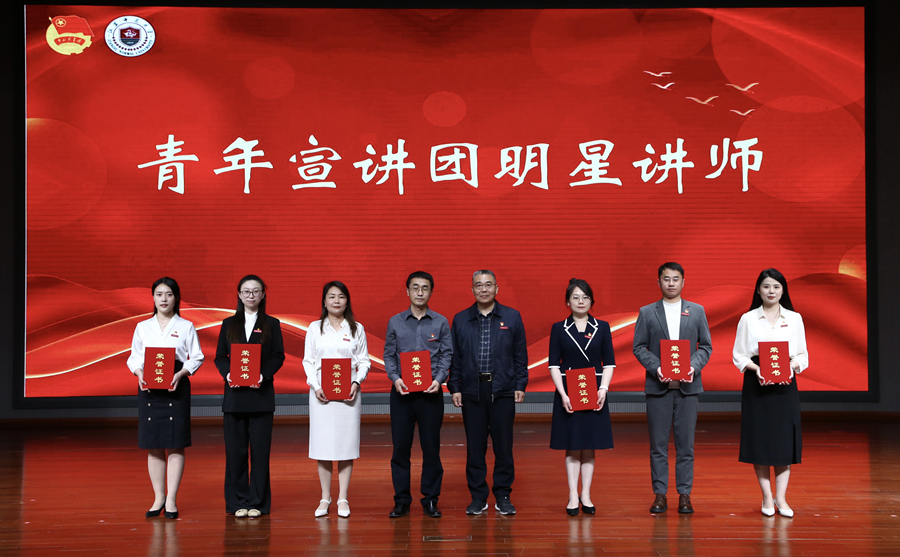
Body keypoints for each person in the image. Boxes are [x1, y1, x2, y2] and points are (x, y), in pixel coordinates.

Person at [632, 262, 712, 514]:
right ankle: (660, 494)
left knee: (686, 445)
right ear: (658, 282)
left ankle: (685, 494)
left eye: (675, 279)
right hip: (658, 388)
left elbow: (705, 346)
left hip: (689, 388)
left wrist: (693, 367)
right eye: (666, 279)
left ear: (683, 282)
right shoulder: (647, 312)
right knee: (658, 445)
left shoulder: (696, 311)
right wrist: (657, 367)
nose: (671, 283)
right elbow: (639, 347)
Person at [448, 270, 528, 516]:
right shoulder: (461, 319)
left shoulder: (512, 317)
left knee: (504, 447)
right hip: (472, 390)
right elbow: (455, 357)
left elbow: (520, 356)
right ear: (472, 290)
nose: (483, 289)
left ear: (497, 288)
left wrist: (520, 385)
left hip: (502, 389)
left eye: (488, 284)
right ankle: (478, 497)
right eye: (478, 285)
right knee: (475, 447)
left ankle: (503, 495)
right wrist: (455, 387)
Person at [732, 268, 808, 518]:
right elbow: (739, 355)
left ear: (783, 290)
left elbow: (802, 355)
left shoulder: (794, 318)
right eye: (766, 286)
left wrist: (790, 366)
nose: (771, 291)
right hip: (757, 383)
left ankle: (781, 498)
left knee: (784, 441)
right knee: (760, 440)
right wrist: (757, 369)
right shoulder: (748, 319)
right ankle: (766, 496)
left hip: (785, 385)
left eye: (776, 286)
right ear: (758, 290)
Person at [127, 277, 204, 520]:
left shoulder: (186, 326)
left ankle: (171, 498)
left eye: (169, 294)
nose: (164, 299)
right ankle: (158, 497)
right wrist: (139, 372)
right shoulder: (143, 327)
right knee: (154, 443)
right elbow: (134, 357)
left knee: (175, 442)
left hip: (175, 385)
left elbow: (197, 357)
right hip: (149, 387)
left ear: (176, 298)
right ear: (153, 298)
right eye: (159, 294)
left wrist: (181, 373)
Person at [383, 271, 453, 519]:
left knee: (431, 448)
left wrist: (438, 379)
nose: (420, 292)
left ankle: (430, 499)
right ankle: (401, 500)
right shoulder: (395, 322)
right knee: (400, 449)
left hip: (430, 393)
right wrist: (395, 378)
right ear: (407, 292)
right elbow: (389, 355)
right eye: (415, 288)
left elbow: (446, 354)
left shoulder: (441, 322)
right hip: (401, 393)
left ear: (431, 292)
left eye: (425, 288)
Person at [214, 275, 285, 518]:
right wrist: (229, 374)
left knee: (260, 452)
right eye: (246, 291)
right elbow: (220, 357)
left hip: (261, 396)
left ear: (263, 295)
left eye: (256, 291)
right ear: (239, 294)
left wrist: (262, 375)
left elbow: (278, 356)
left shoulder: (272, 324)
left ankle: (257, 502)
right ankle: (237, 502)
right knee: (235, 452)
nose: (251, 295)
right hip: (234, 396)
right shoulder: (228, 324)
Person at [547, 278, 615, 516]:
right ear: (568, 301)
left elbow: (609, 363)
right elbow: (554, 365)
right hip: (569, 392)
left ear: (591, 301)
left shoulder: (602, 327)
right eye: (575, 297)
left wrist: (603, 389)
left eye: (585, 297)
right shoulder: (559, 328)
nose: (580, 301)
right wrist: (562, 393)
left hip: (594, 391)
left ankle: (586, 494)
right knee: (573, 444)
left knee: (589, 443)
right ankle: (572, 495)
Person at [303, 281, 371, 519]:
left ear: (347, 301)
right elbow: (308, 361)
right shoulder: (314, 328)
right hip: (321, 394)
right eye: (331, 296)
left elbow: (364, 361)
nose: (336, 301)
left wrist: (356, 382)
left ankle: (343, 497)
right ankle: (325, 497)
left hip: (349, 395)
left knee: (345, 446)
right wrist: (316, 386)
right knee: (322, 446)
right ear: (324, 301)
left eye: (341, 296)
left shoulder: (356, 329)